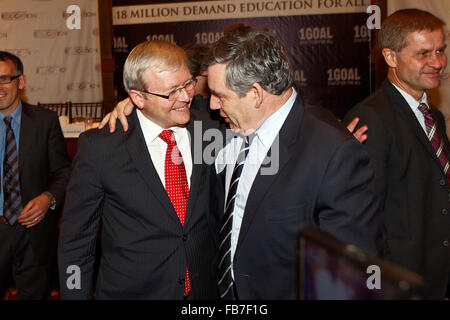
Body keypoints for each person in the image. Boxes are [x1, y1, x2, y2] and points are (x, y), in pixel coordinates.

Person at [102, 29, 382, 299]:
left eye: (220, 96)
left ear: (256, 94)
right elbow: (167, 112)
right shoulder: (222, 129)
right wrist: (138, 104)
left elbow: (347, 279)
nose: (211, 105)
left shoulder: (332, 154)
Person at [58, 41, 219, 299]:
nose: (186, 97)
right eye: (171, 92)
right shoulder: (101, 149)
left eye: (187, 84)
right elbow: (76, 241)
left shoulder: (211, 131)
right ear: (137, 97)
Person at [344, 9, 449, 299]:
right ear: (391, 57)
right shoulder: (371, 117)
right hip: (398, 283)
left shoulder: (434, 116)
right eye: (424, 53)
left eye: (441, 50)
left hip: (434, 277)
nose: (437, 62)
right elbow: (364, 216)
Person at [0, 51, 71, 299]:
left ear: (21, 81)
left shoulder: (45, 121)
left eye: (4, 79)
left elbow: (64, 172)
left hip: (33, 233)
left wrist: (47, 199)